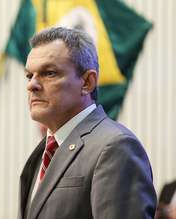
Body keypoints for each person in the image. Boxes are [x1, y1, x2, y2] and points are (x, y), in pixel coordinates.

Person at [19, 27, 157, 219]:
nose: (31, 85)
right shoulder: (43, 152)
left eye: (49, 73)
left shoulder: (115, 147)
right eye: (29, 75)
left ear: (87, 83)